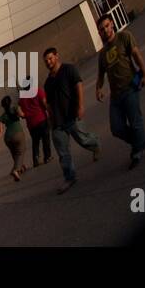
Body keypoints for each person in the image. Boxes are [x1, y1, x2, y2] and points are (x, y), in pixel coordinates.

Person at [43, 47, 101, 194]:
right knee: (63, 153)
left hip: (72, 116)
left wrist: (80, 106)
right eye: (46, 61)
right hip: (57, 123)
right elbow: (48, 104)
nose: (48, 62)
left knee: (83, 140)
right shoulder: (48, 82)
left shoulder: (69, 69)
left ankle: (95, 144)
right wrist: (51, 122)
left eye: (50, 58)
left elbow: (78, 86)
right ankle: (69, 177)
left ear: (57, 56)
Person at [95, 15, 145, 169]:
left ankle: (137, 150)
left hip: (130, 88)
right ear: (99, 33)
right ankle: (139, 142)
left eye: (106, 26)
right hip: (115, 96)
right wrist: (98, 88)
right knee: (116, 128)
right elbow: (100, 75)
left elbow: (137, 55)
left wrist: (144, 74)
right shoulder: (102, 54)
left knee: (135, 122)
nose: (105, 30)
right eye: (101, 29)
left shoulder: (125, 37)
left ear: (112, 24)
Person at [18, 78, 52, 167]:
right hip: (41, 120)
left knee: (35, 142)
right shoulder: (38, 91)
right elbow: (45, 103)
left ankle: (36, 160)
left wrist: (23, 115)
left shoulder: (22, 97)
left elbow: (19, 109)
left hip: (31, 124)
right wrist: (50, 114)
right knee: (45, 139)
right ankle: (47, 156)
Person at [0, 95, 28, 181]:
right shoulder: (15, 108)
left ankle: (21, 166)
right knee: (21, 151)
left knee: (15, 154)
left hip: (8, 138)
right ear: (10, 102)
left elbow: (0, 131)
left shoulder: (2, 117)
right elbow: (23, 115)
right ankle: (16, 170)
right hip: (18, 133)